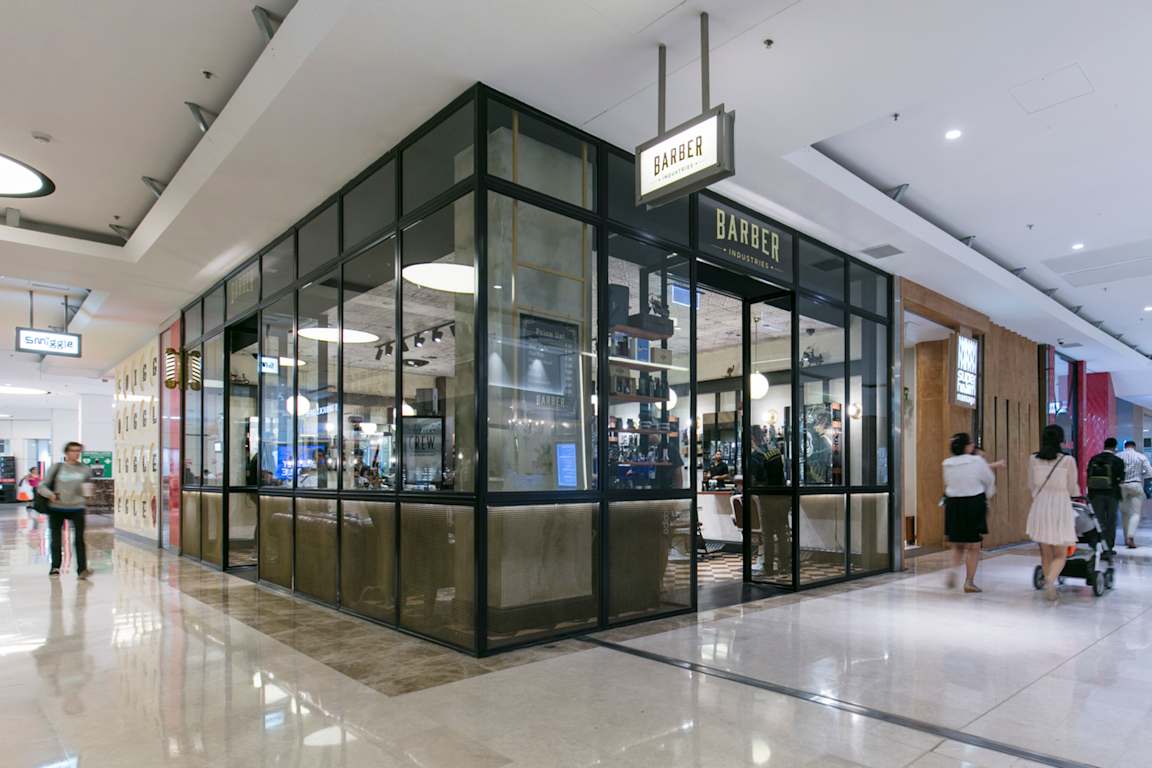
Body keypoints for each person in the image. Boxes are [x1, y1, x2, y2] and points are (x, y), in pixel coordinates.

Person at [1027, 425, 1080, 602]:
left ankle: (1048, 580)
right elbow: (1072, 487)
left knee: (1046, 552)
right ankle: (1050, 580)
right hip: (1060, 506)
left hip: (1040, 505)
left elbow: (1031, 484)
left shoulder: (1033, 459)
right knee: (1060, 553)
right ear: (1061, 440)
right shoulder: (1068, 460)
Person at [942, 432, 995, 592]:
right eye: (971, 443)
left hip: (953, 504)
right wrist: (988, 496)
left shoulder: (947, 463)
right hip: (973, 503)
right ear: (966, 447)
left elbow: (948, 483)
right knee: (973, 546)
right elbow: (989, 480)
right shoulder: (977, 461)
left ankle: (953, 570)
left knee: (958, 544)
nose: (973, 445)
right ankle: (969, 582)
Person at [37, 442, 94, 579]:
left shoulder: (85, 469)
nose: (76, 453)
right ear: (66, 452)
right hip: (57, 507)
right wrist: (50, 495)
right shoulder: (57, 468)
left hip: (77, 507)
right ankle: (55, 567)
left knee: (79, 539)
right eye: (73, 451)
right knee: (56, 539)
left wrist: (88, 494)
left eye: (78, 451)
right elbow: (42, 486)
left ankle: (82, 570)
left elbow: (87, 486)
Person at [1085, 437, 1125, 555]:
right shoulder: (1118, 460)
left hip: (1095, 494)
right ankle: (1108, 548)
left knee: (1097, 520)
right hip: (1112, 494)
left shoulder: (1094, 458)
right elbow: (1121, 479)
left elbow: (1088, 475)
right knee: (1111, 521)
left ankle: (1096, 545)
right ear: (1115, 447)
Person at [1118, 440, 1152, 549]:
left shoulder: (1118, 456)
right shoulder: (1141, 456)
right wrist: (1141, 475)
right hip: (1136, 484)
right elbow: (1150, 473)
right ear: (1134, 446)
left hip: (1121, 486)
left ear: (1125, 446)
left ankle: (1125, 538)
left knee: (1124, 513)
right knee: (1135, 513)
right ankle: (1130, 536)